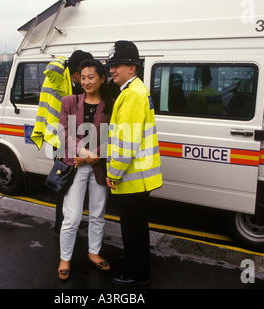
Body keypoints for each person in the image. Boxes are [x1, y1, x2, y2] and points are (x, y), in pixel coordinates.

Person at [105, 40, 163, 286]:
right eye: (111, 65)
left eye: (118, 65)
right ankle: (134, 260)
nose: (112, 70)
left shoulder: (132, 96)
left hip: (132, 176)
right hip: (139, 175)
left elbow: (126, 144)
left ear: (133, 68)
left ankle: (136, 273)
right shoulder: (136, 91)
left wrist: (113, 174)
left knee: (133, 229)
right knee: (136, 227)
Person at [57, 59, 114, 280]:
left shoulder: (111, 104)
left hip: (98, 166)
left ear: (101, 78)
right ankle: (65, 258)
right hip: (76, 167)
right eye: (83, 77)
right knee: (71, 217)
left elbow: (114, 135)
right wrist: (82, 152)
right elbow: (63, 132)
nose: (86, 81)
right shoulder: (70, 101)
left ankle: (94, 253)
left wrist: (93, 155)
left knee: (98, 214)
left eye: (91, 77)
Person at [30, 50, 93, 236]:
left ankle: (69, 221)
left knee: (69, 184)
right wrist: (64, 60)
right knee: (64, 185)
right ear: (74, 73)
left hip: (61, 138)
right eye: (81, 76)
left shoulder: (66, 80)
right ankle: (61, 228)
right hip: (60, 140)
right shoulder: (60, 78)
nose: (82, 81)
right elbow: (53, 68)